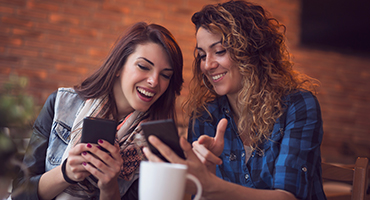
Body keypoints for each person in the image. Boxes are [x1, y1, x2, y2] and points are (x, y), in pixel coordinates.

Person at [143, 1, 326, 199]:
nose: (207, 65)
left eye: (220, 51)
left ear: (251, 51)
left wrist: (210, 185)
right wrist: (205, 176)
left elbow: (287, 197)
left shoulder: (298, 106)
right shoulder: (205, 116)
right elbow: (201, 191)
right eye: (202, 55)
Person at [12, 22, 183, 200]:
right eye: (143, 66)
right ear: (118, 66)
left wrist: (109, 187)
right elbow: (20, 193)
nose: (154, 81)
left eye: (165, 75)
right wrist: (66, 173)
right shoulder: (61, 104)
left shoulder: (157, 144)